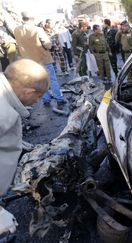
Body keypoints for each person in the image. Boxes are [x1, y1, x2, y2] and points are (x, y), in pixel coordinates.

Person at [0, 59, 49, 236]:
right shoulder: (3, 111)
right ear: (28, 91)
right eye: (39, 96)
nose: (38, 101)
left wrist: (20, 144)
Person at [14, 11, 65, 108]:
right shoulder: (37, 29)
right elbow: (48, 44)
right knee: (52, 80)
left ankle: (46, 100)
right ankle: (59, 99)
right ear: (32, 19)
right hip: (43, 59)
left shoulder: (17, 30)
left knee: (39, 82)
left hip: (29, 62)